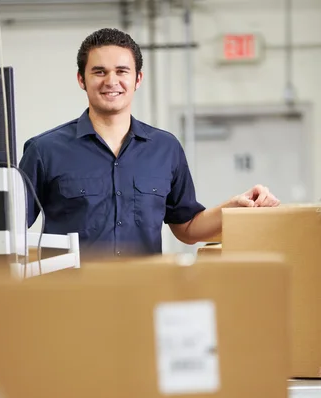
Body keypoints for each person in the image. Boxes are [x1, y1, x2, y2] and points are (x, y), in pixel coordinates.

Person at [20, 28, 279, 256]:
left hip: (143, 298)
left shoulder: (165, 149)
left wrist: (235, 206)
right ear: (81, 80)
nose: (111, 81)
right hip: (69, 301)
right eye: (99, 72)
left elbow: (187, 228)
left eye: (122, 71)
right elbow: (8, 235)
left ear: (138, 79)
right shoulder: (44, 151)